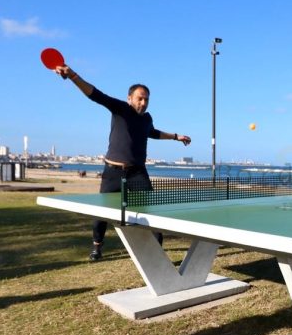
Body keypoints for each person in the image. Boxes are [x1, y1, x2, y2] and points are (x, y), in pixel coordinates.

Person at [53, 63, 191, 261]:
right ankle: (97, 247)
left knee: (151, 211)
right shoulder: (121, 109)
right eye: (139, 98)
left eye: (146, 99)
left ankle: (156, 251)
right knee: (102, 213)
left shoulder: (147, 118)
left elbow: (152, 132)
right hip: (113, 172)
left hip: (137, 173)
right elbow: (95, 94)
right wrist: (73, 75)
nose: (143, 102)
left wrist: (176, 136)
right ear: (129, 99)